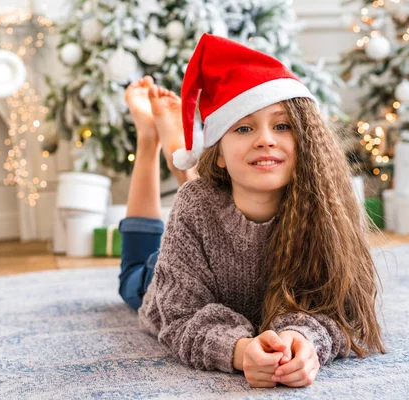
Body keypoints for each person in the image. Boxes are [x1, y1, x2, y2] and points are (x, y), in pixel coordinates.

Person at [118, 33, 386, 389]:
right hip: (176, 274)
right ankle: (151, 140)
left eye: (282, 125)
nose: (265, 139)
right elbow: (179, 316)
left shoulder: (328, 206)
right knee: (133, 277)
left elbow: (343, 311)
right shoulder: (195, 206)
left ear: (305, 141)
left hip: (215, 213)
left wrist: (305, 342)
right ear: (220, 153)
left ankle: (180, 153)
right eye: (243, 127)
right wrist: (239, 350)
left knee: (202, 193)